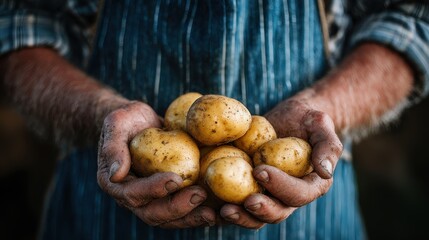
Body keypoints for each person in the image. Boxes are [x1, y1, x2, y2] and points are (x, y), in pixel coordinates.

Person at [1, 0, 428, 239]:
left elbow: (410, 17)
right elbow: (18, 22)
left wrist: (327, 109)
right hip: (104, 217)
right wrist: (99, 115)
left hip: (312, 223)